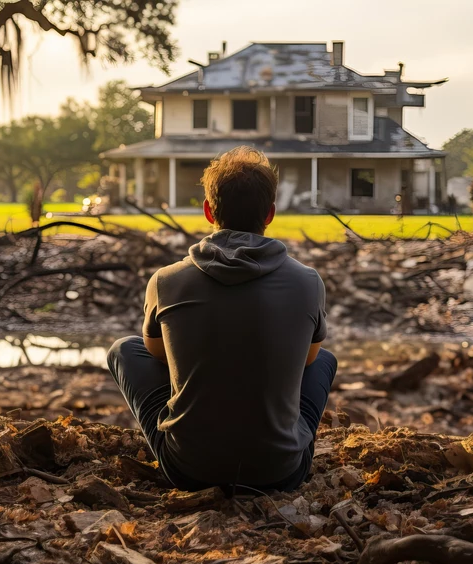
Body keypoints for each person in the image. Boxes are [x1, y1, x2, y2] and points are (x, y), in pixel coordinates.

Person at [106, 146, 336, 492]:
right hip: (281, 473)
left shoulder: (167, 280)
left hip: (190, 470)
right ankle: (283, 442)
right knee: (325, 361)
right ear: (270, 213)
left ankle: (192, 430)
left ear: (208, 211)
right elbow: (308, 358)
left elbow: (155, 353)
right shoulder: (307, 281)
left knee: (125, 349)